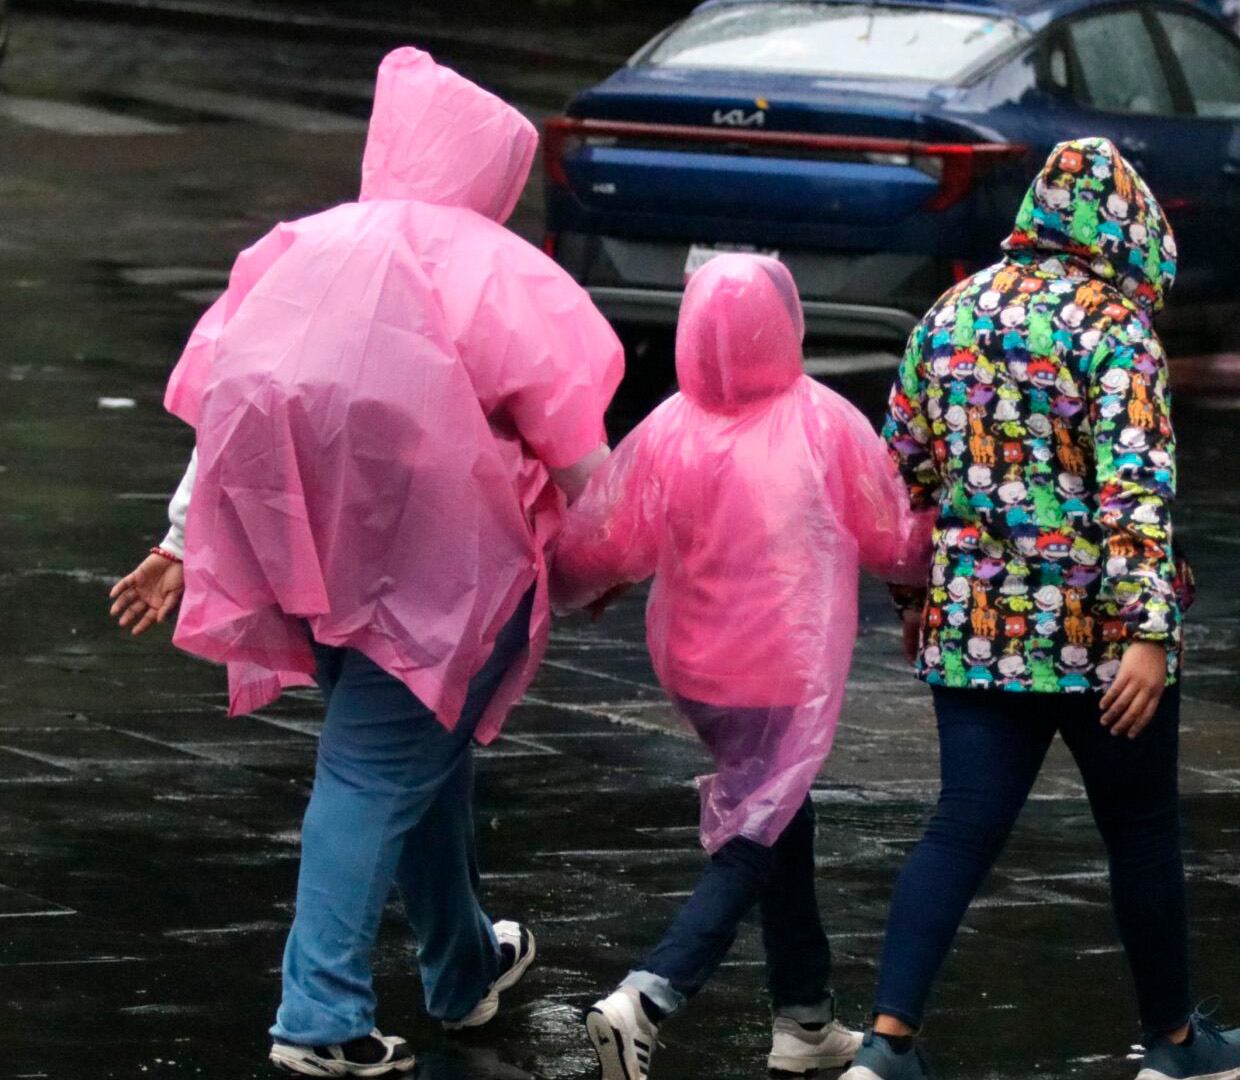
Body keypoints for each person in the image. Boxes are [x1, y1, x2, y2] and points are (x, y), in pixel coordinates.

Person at [106, 47, 624, 1077]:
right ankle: (320, 1017)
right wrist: (611, 553)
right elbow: (574, 447)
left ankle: (465, 968)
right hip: (448, 573)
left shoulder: (303, 248)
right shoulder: (493, 269)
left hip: (311, 564)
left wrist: (180, 537)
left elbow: (235, 398)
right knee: (373, 769)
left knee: (422, 758)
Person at [845, 137, 1240, 1080]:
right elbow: (1134, 494)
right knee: (1141, 831)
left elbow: (899, 475)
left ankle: (885, 1046)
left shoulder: (947, 316)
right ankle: (1174, 1044)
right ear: (1128, 233)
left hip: (975, 631)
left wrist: (912, 594)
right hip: (1099, 646)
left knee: (960, 825)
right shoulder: (1117, 332)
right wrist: (1149, 634)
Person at [552, 254, 934, 1080]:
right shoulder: (824, 421)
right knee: (758, 829)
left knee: (779, 816)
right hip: (784, 670)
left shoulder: (669, 425)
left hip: (695, 668)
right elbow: (895, 538)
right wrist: (948, 538)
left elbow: (604, 539)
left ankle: (805, 1017)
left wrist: (566, 585)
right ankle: (650, 994)